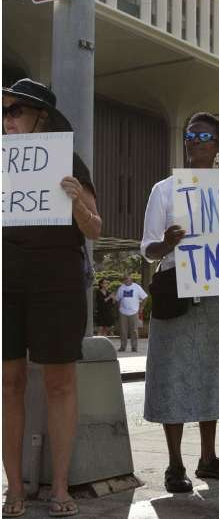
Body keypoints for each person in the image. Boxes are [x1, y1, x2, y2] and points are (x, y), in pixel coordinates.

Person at [3, 78, 102, 518]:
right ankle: (14, 488)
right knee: (10, 383)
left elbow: (95, 228)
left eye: (15, 111)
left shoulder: (71, 162)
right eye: (3, 112)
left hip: (58, 281)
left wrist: (78, 202)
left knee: (60, 384)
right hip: (7, 280)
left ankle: (60, 486)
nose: (7, 120)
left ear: (41, 116)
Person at [140, 112, 219, 493]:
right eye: (190, 135)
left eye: (204, 135)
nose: (195, 140)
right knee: (173, 374)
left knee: (214, 372)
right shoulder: (165, 190)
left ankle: (209, 458)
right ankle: (174, 463)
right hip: (177, 292)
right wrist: (167, 242)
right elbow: (148, 249)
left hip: (218, 294)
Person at [115, 274, 147, 352]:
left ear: (131, 279)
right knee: (123, 331)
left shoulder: (137, 287)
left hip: (134, 312)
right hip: (123, 312)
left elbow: (145, 297)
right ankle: (123, 347)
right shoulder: (121, 288)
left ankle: (134, 347)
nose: (127, 280)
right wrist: (120, 308)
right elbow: (117, 299)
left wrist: (142, 307)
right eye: (126, 279)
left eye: (129, 279)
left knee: (134, 331)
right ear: (124, 280)